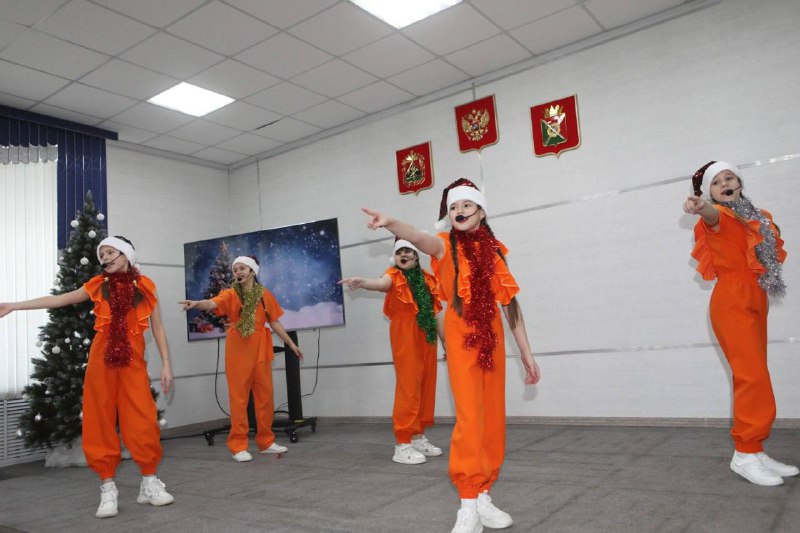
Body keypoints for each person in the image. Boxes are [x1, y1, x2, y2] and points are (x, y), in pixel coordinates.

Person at [363, 178, 540, 533]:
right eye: (454, 206)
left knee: (492, 420)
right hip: (463, 342)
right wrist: (391, 222)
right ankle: (468, 503)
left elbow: (510, 305)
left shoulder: (495, 252)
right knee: (470, 419)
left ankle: (484, 493)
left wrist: (526, 353)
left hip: (493, 343)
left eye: (466, 205)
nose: (459, 211)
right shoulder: (444, 246)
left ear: (481, 212)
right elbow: (418, 237)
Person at [0, 236, 175, 519]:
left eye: (110, 252)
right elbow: (59, 300)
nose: (105, 258)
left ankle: (149, 482)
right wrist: (15, 305)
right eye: (101, 254)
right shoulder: (98, 285)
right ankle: (107, 487)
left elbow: (158, 328)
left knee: (142, 418)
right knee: (99, 418)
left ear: (126, 255)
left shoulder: (145, 286)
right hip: (100, 361)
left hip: (133, 363)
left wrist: (166, 364)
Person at [684, 160, 796, 486]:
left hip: (755, 297)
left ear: (739, 182)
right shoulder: (720, 216)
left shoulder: (755, 217)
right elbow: (711, 215)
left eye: (729, 178)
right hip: (732, 301)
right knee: (752, 377)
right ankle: (745, 455)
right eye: (716, 182)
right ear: (710, 193)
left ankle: (754, 449)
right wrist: (701, 206)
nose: (725, 184)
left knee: (756, 375)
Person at [180, 256, 302, 462]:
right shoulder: (230, 294)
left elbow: (274, 322)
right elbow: (213, 303)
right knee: (239, 398)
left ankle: (266, 442)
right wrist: (197, 303)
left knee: (265, 397)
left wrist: (291, 344)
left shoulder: (264, 294)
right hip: (238, 347)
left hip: (261, 347)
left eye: (242, 268)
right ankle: (238, 446)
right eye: (235, 269)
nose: (238, 272)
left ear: (253, 271)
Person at [340, 239, 445, 465]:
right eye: (399, 253)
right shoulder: (393, 275)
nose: (403, 255)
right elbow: (381, 284)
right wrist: (363, 282)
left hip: (427, 336)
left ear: (416, 256)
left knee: (426, 385)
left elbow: (436, 313)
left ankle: (418, 436)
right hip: (405, 334)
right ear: (395, 258)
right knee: (409, 387)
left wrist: (446, 344)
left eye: (408, 251)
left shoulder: (427, 278)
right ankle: (403, 443)